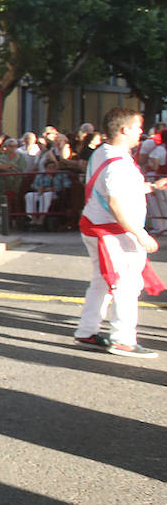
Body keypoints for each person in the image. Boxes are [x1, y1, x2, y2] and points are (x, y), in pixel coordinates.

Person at [72, 107, 167, 358]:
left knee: (102, 282)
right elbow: (115, 202)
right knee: (126, 284)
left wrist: (148, 187)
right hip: (112, 233)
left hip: (99, 227)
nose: (141, 132)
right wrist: (141, 235)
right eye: (138, 127)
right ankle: (123, 339)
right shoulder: (118, 162)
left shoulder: (102, 153)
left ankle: (87, 331)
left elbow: (113, 192)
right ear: (124, 130)